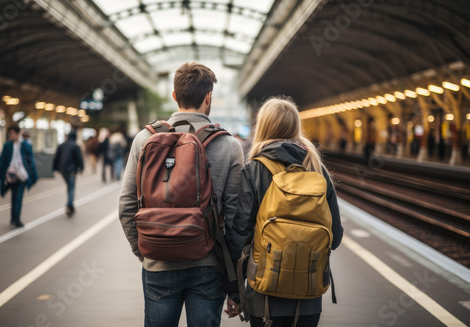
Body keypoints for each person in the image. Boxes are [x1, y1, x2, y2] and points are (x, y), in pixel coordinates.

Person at [119, 61, 244, 327]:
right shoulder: (229, 145)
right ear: (209, 97)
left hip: (159, 262)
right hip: (208, 265)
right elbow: (236, 218)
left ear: (174, 96)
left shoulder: (144, 139)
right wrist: (234, 279)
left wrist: (145, 252)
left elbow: (126, 204)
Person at [225, 97, 343, 327]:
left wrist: (235, 293)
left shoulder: (254, 170)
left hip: (264, 295)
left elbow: (240, 237)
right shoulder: (318, 170)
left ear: (264, 127)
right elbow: (335, 236)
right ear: (296, 127)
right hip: (309, 293)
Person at [0, 124, 38, 228]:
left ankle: (17, 219)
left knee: (18, 197)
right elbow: (2, 160)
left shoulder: (26, 145)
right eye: (9, 134)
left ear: (18, 134)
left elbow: (30, 160)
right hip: (10, 174)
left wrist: (34, 174)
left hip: (21, 174)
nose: (10, 136)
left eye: (13, 134)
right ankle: (13, 218)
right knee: (13, 197)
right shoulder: (7, 145)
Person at [53, 130, 84, 217]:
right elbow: (79, 158)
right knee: (71, 188)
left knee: (69, 187)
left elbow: (56, 157)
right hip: (72, 170)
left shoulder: (62, 145)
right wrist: (81, 168)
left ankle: (70, 205)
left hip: (63, 170)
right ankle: (69, 205)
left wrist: (55, 168)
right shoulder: (75, 146)